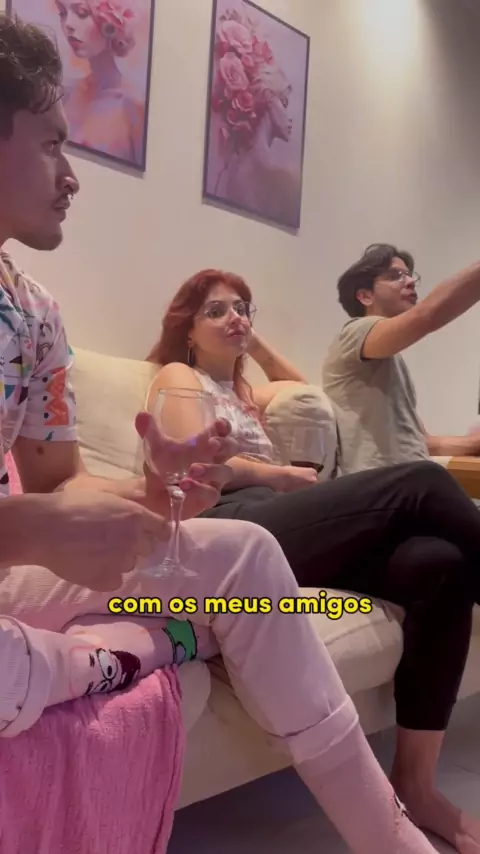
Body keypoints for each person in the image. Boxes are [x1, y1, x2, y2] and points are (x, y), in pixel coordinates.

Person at [0, 14, 438, 854]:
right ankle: (135, 650)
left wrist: (149, 490)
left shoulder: (35, 312)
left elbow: (57, 482)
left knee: (242, 561)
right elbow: (41, 515)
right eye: (52, 144)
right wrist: (29, 528)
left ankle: (391, 838)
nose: (72, 176)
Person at [146, 266, 480, 854]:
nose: (235, 318)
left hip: (280, 530)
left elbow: (301, 387)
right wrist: (276, 474)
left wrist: (248, 339)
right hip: (226, 528)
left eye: (243, 308)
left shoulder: (248, 395)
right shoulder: (178, 376)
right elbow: (191, 467)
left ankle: (416, 784)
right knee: (421, 482)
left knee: (439, 564)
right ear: (187, 331)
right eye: (216, 311)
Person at [322, 243, 480, 475]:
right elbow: (427, 315)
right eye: (395, 275)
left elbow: (425, 442)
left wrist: (474, 444)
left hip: (413, 477)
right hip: (384, 481)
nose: (410, 281)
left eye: (409, 275)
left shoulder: (386, 361)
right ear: (365, 296)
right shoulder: (355, 332)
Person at [206, 7, 302, 227]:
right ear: (267, 98)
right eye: (284, 103)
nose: (290, 118)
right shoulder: (285, 180)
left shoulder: (233, 174)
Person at [55, 0, 144, 165]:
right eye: (62, 13)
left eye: (82, 13)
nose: (68, 24)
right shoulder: (65, 94)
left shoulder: (133, 106)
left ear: (110, 23)